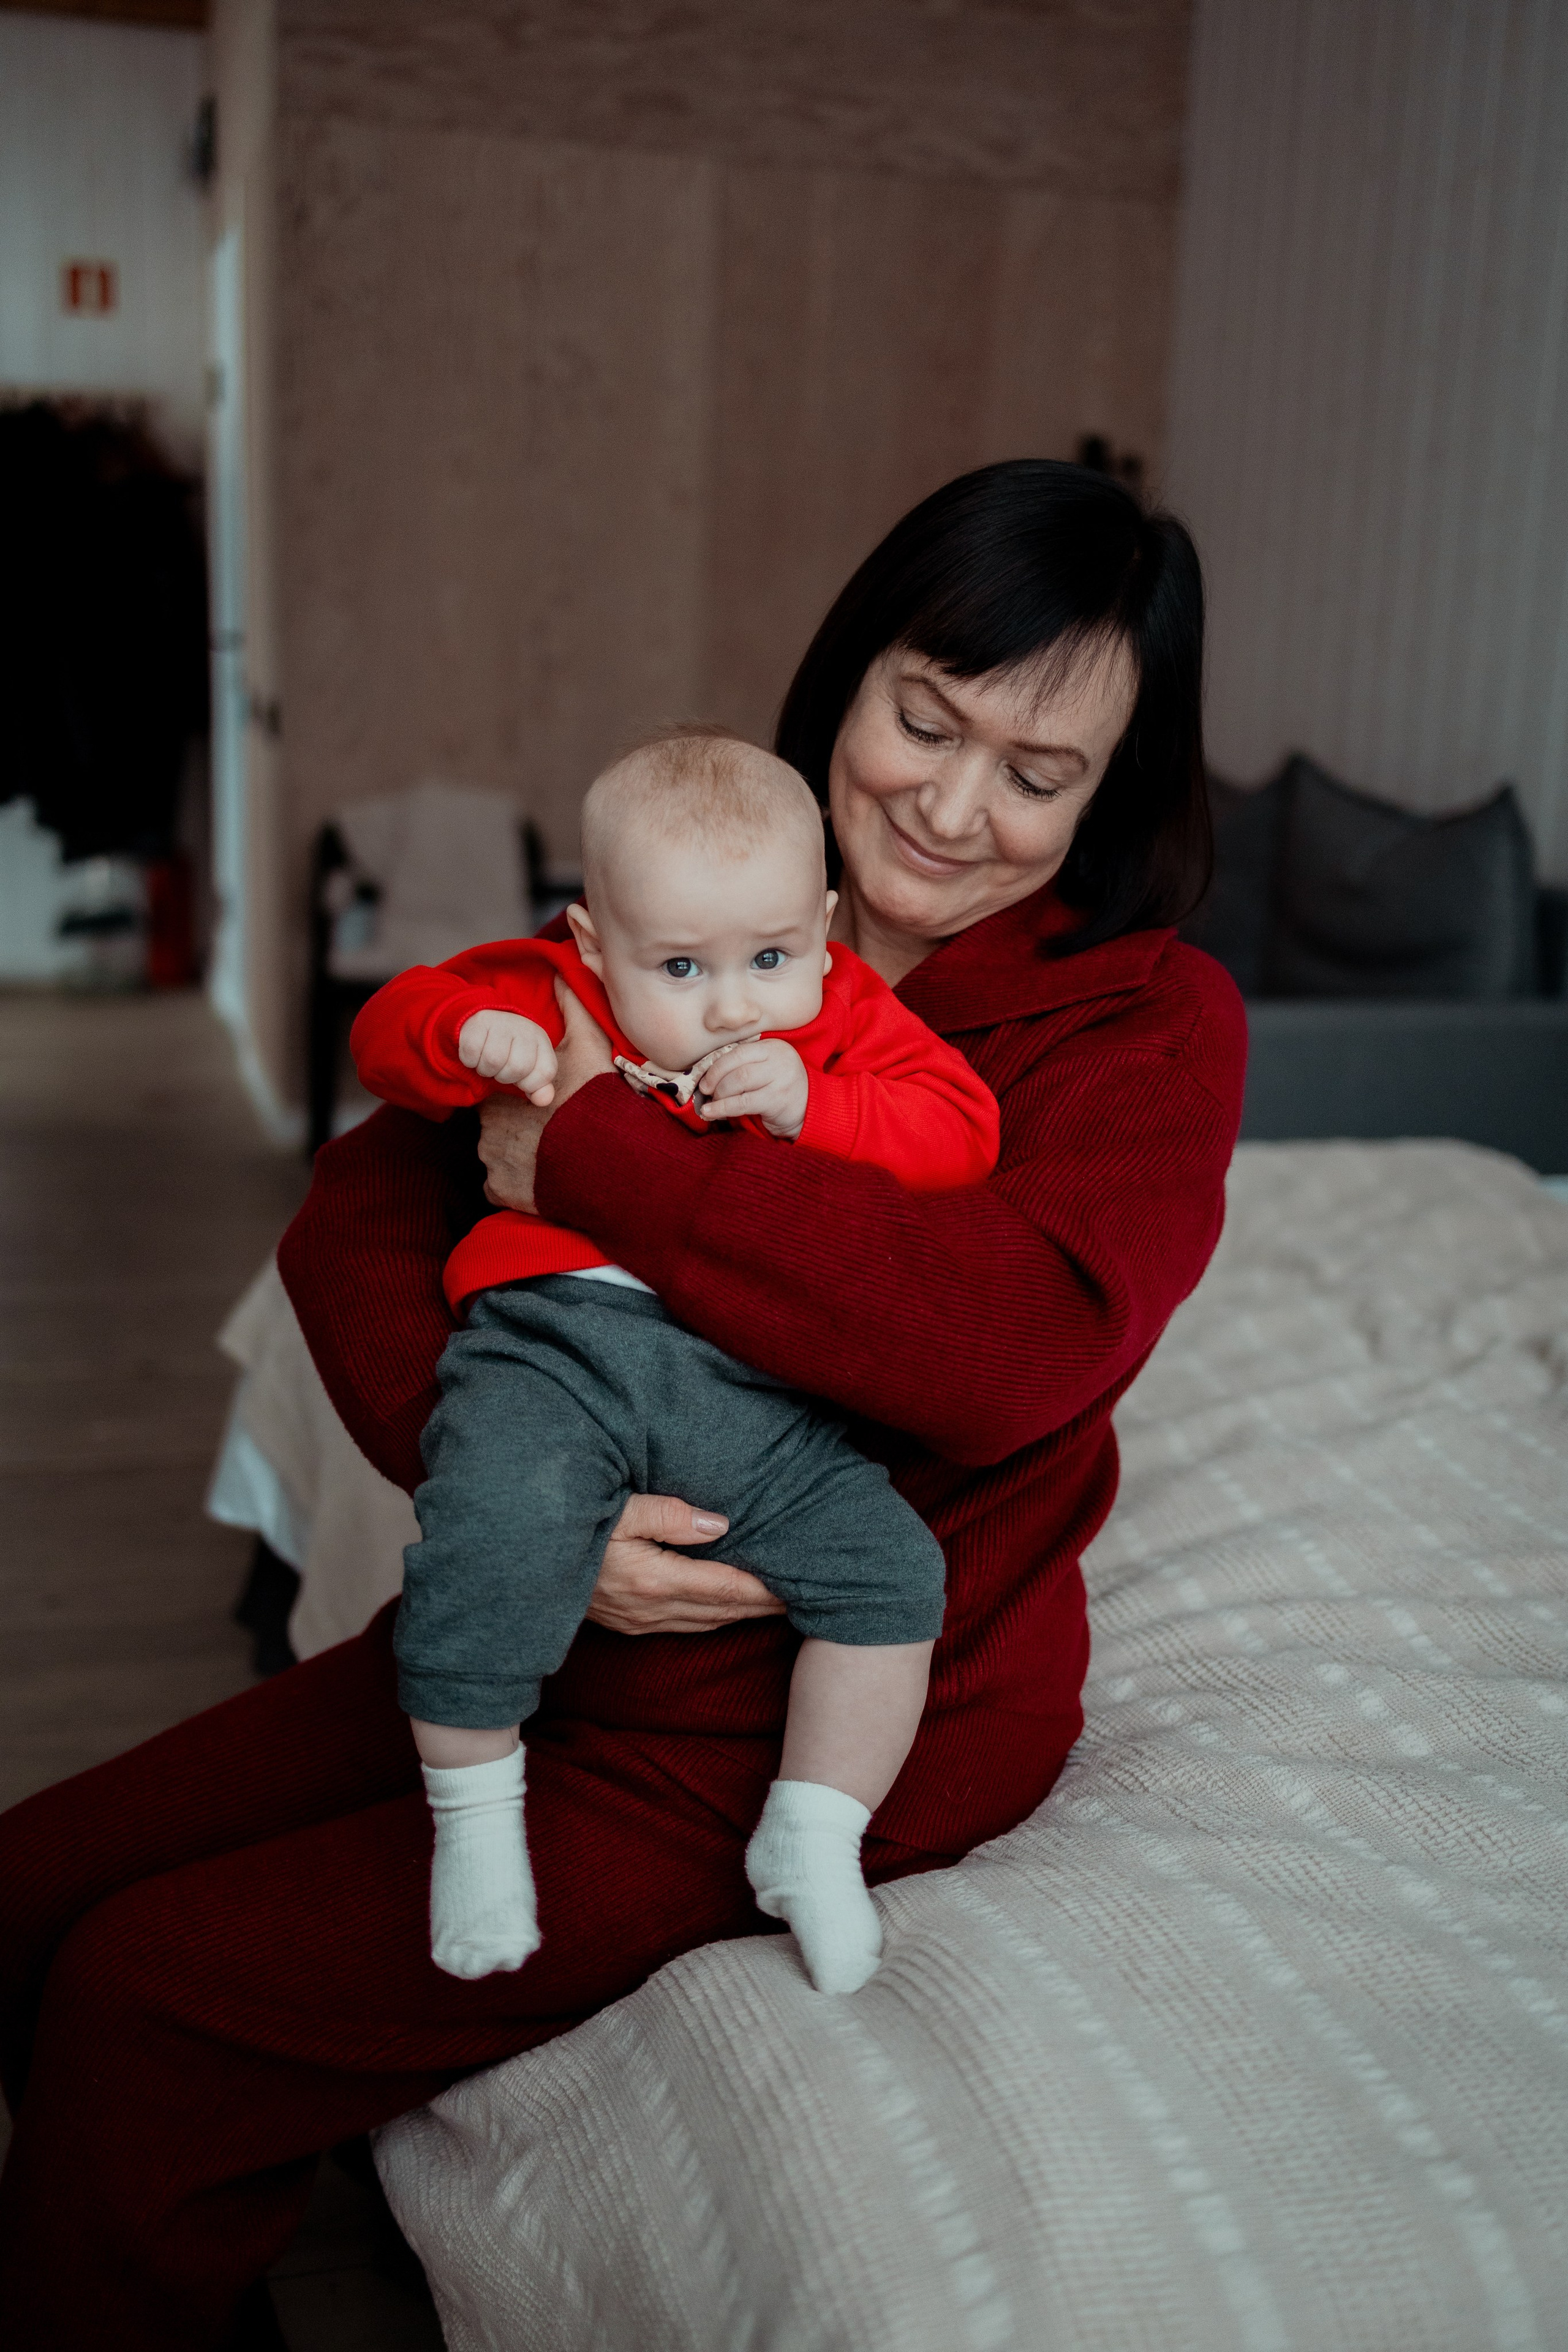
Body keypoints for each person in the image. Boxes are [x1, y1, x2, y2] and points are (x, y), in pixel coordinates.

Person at [0, 459, 1246, 2351]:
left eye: (1038, 774)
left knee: (142, 1996)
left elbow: (1008, 1347)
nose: (952, 803)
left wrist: (583, 1145)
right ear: (850, 676)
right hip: (547, 1620)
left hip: (823, 1710)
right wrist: (523, 1498)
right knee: (32, 1890)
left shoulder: (1143, 1027)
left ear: (1113, 797)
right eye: (925, 718)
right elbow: (354, 1215)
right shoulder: (709, 874)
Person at [351, 729, 997, 1992]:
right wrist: (468, 1039)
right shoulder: (551, 989)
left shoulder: (845, 1017)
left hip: (753, 1381)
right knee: (495, 1524)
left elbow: (960, 1131)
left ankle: (811, 1833)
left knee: (888, 1574)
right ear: (596, 946)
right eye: (680, 966)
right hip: (556, 1340)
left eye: (769, 958)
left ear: (820, 927)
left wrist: (821, 1108)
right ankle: (478, 1829)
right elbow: (390, 1021)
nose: (732, 1005)